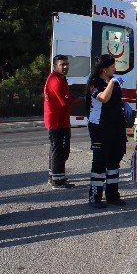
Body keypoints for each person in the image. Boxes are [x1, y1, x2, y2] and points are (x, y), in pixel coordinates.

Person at [86, 54, 128, 208]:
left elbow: (115, 100)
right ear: (104, 69)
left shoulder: (113, 82)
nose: (115, 69)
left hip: (116, 127)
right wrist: (112, 82)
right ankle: (95, 197)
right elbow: (103, 98)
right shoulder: (94, 83)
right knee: (99, 162)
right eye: (112, 66)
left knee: (114, 161)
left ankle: (112, 195)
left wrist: (124, 105)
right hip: (100, 128)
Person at [44, 54, 80, 189]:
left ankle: (53, 176)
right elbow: (66, 101)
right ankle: (58, 181)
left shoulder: (57, 78)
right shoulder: (57, 81)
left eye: (67, 64)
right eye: (62, 64)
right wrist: (83, 98)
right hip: (58, 121)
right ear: (55, 66)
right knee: (60, 151)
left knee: (55, 149)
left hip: (56, 120)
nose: (65, 67)